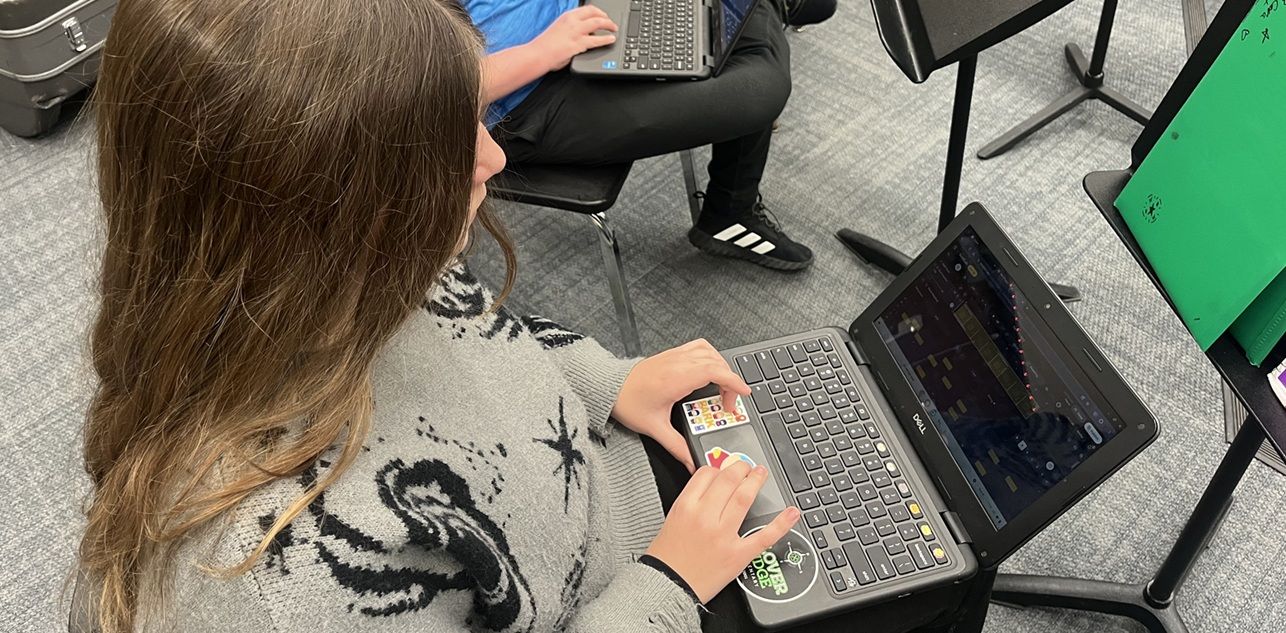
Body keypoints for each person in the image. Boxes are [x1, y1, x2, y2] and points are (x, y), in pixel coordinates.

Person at [76, 1, 992, 632]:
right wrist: (670, 582)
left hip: (615, 496)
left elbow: (492, 336)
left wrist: (612, 380)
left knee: (894, 487)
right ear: (320, 206)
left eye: (475, 115)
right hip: (632, 590)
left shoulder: (343, 272)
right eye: (450, 140)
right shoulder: (286, 582)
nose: (490, 159)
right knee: (945, 568)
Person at [475, 0, 833, 272]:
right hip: (519, 101)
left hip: (579, 17)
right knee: (759, 84)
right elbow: (427, 87)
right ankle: (730, 211)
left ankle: (730, 209)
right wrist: (541, 52)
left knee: (744, 22)